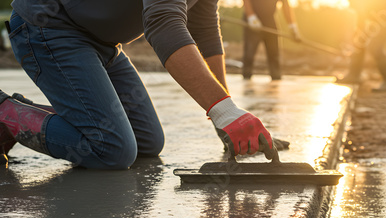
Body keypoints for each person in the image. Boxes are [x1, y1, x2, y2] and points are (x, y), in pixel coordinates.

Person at [0, 0, 275, 169]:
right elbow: (163, 24)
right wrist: (222, 110)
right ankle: (4, 113)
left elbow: (203, 30)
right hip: (49, 28)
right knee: (111, 149)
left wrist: (226, 113)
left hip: (101, 43)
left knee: (147, 143)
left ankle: (26, 115)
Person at [336, 0, 386, 92]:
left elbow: (362, 13)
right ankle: (354, 75)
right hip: (381, 17)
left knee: (375, 47)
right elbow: (361, 20)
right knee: (360, 42)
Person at [242, 0, 300, 81]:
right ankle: (246, 79)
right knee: (249, 54)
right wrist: (251, 16)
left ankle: (276, 78)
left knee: (274, 54)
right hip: (252, 20)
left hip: (269, 20)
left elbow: (285, 4)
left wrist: (292, 26)